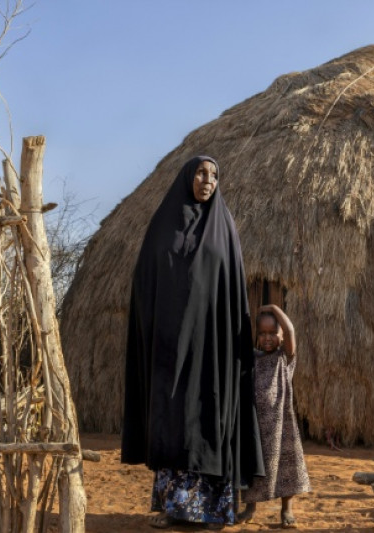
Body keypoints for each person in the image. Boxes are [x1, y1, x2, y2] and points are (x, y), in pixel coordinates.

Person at [121, 155, 264, 530]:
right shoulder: (162, 229)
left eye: (214, 175)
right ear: (187, 177)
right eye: (201, 173)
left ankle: (214, 511)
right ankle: (174, 508)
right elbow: (144, 284)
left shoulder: (224, 229)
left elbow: (233, 293)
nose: (208, 180)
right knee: (174, 423)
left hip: (213, 349)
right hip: (170, 350)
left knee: (210, 418)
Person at [238, 304, 311, 529]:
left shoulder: (285, 358)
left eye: (273, 333)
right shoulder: (252, 357)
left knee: (285, 467)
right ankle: (250, 508)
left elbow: (290, 331)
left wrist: (273, 307)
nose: (268, 338)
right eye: (263, 333)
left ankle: (286, 509)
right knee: (253, 465)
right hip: (256, 425)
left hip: (282, 424)